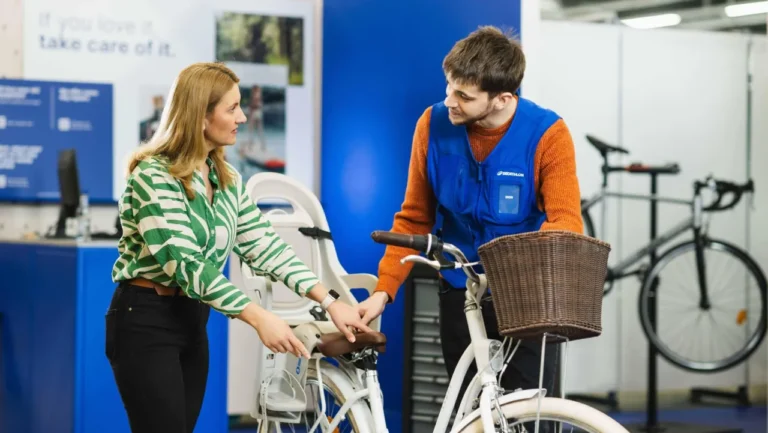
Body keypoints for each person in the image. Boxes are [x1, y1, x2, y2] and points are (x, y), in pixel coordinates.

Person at [107, 62, 372, 433]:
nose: (243, 117)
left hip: (191, 318)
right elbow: (185, 265)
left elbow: (264, 246)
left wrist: (329, 301)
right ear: (201, 116)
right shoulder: (152, 177)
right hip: (146, 319)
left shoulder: (226, 179)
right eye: (232, 108)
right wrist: (258, 317)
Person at [357, 26, 583, 431]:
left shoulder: (548, 134)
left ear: (503, 99)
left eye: (464, 95)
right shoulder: (432, 125)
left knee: (530, 416)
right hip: (460, 294)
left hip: (525, 300)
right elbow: (413, 216)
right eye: (449, 88)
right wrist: (383, 291)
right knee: (470, 414)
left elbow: (566, 220)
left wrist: (546, 260)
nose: (450, 102)